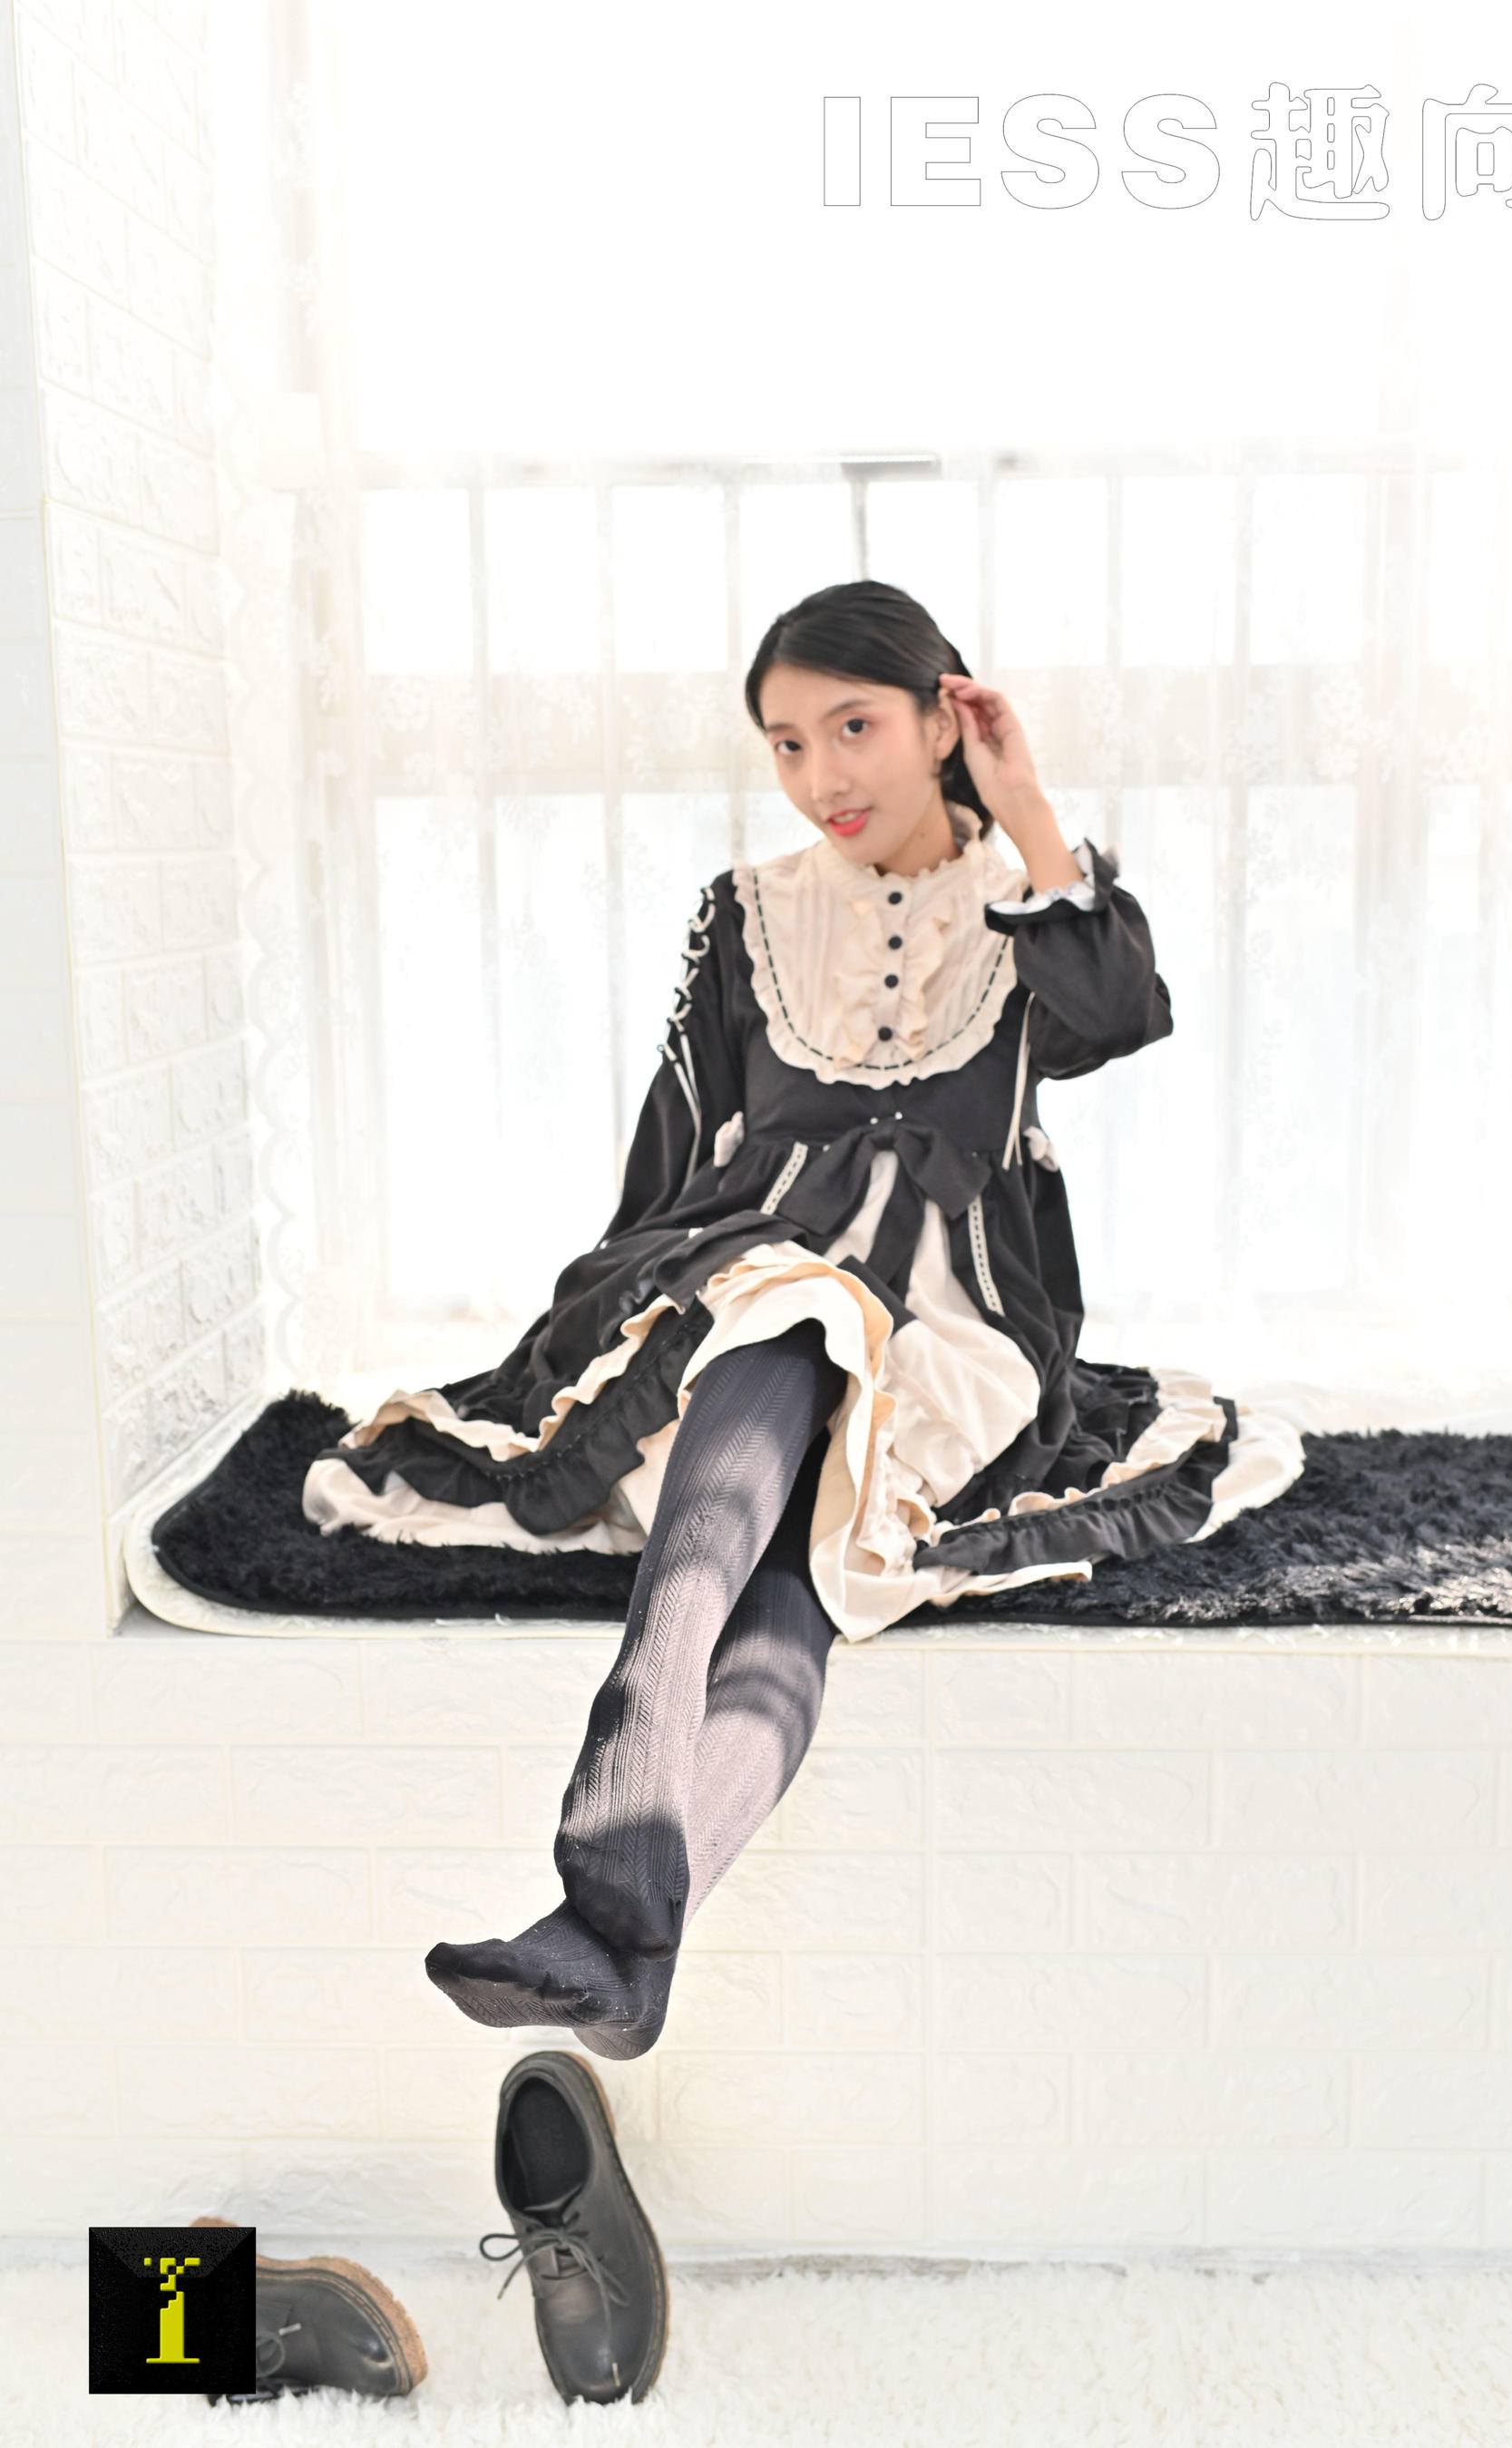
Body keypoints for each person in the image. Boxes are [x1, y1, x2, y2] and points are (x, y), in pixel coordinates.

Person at [303, 579, 1302, 2062]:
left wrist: (1027, 806)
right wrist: (603, 1328)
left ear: (941, 719)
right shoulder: (747, 912)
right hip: (749, 1290)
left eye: (853, 728)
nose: (820, 774)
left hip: (953, 1318)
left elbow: (1115, 1016)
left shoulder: (1032, 900)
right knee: (788, 1340)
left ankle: (613, 1879)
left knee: (809, 1547)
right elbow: (681, 1134)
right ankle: (624, 1920)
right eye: (785, 743)